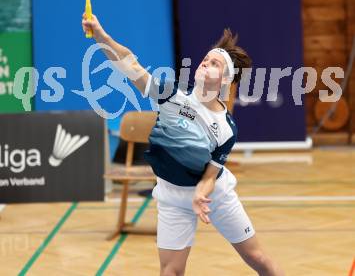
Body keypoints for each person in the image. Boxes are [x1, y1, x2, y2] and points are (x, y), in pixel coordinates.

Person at [82, 14, 284, 276]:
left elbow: (212, 174)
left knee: (258, 258)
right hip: (171, 196)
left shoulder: (225, 128)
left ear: (225, 80)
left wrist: (201, 192)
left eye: (215, 64)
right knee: (170, 272)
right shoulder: (170, 94)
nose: (205, 63)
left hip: (216, 196)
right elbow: (130, 66)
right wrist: (101, 35)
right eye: (206, 59)